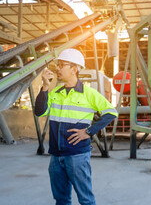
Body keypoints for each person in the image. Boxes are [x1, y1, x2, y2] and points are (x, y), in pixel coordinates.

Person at [35, 48, 118, 205]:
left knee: (86, 200)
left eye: (62, 65)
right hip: (55, 156)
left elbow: (111, 113)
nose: (57, 68)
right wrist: (45, 87)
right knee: (61, 199)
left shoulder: (89, 94)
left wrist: (89, 131)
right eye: (57, 65)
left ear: (74, 69)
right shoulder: (55, 93)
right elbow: (39, 112)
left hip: (77, 156)